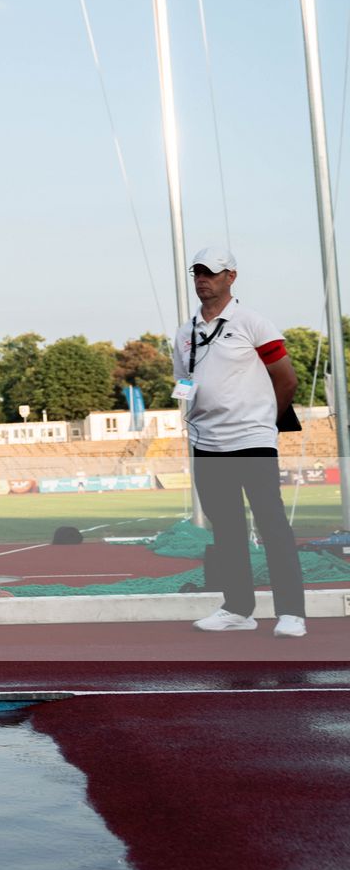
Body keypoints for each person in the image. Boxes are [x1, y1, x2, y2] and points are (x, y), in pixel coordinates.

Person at [174, 247, 305, 637]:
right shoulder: (185, 332)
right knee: (226, 529)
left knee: (272, 524)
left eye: (211, 273)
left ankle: (291, 612)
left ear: (231, 277)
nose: (202, 280)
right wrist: (184, 412)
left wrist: (266, 422)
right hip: (206, 442)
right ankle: (238, 608)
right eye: (197, 273)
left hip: (251, 439)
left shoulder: (252, 322)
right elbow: (184, 381)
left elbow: (288, 379)